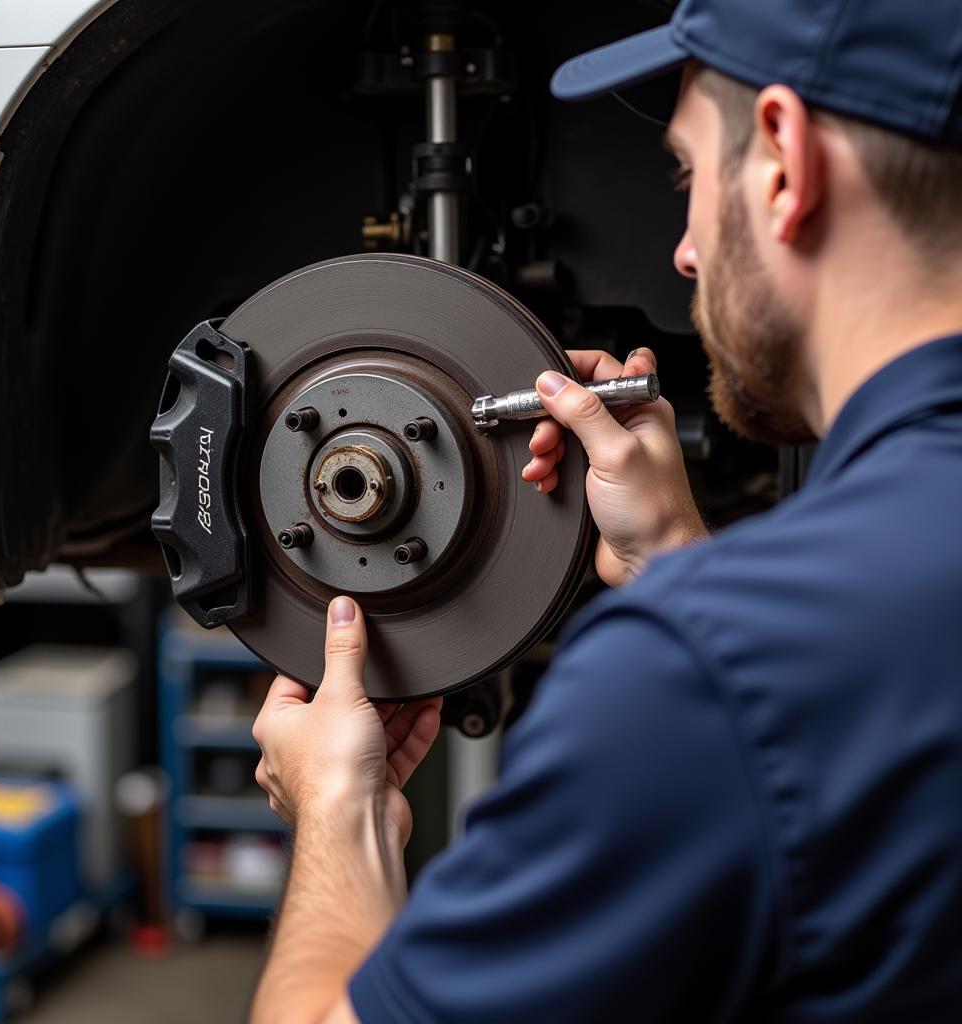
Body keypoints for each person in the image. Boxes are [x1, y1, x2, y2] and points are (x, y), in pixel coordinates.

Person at [250, 0, 962, 1019]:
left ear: (781, 162)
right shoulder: (763, 656)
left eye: (684, 175)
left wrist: (338, 810)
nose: (679, 251)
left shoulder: (693, 673)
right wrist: (677, 553)